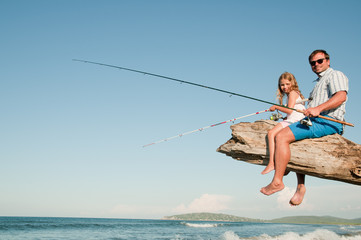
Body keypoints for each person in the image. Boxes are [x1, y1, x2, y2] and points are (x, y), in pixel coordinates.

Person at [260, 49, 349, 206]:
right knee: (294, 144)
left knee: (281, 136)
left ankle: (277, 181)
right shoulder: (318, 84)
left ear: (328, 61)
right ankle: (300, 187)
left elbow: (341, 96)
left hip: (328, 121)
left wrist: (318, 109)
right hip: (313, 120)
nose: (316, 65)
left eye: (319, 61)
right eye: (312, 63)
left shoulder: (335, 75)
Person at [261, 72, 306, 175]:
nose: (285, 87)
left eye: (287, 84)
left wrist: (276, 107)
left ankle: (272, 162)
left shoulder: (292, 93)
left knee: (271, 133)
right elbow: (293, 110)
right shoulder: (294, 93)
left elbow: (289, 110)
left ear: (292, 83)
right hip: (295, 119)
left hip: (294, 120)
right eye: (282, 85)